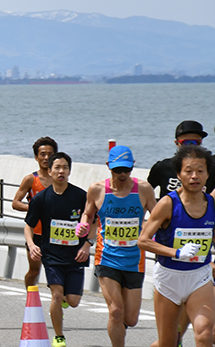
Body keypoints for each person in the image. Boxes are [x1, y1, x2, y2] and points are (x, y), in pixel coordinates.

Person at [77, 146, 156, 347]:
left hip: (134, 261)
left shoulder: (144, 189)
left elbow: (157, 218)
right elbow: (88, 213)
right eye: (117, 170)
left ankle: (118, 330)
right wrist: (83, 223)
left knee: (130, 319)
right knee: (115, 311)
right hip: (107, 258)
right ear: (108, 167)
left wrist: (153, 233)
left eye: (126, 170)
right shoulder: (97, 189)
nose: (122, 174)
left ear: (133, 167)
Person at [138, 145, 215, 347]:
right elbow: (143, 240)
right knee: (168, 343)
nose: (194, 176)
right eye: (188, 171)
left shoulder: (212, 204)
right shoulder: (168, 204)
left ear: (208, 174)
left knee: (205, 334)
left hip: (200, 277)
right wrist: (177, 252)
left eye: (200, 171)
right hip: (169, 278)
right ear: (179, 174)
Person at [24, 152, 90, 347]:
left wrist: (87, 243)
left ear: (69, 170)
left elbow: (93, 221)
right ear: (50, 171)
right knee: (57, 295)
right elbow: (28, 225)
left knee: (74, 300)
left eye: (65, 168)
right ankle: (59, 336)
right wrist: (32, 244)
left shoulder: (80, 196)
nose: (61, 171)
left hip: (76, 255)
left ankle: (62, 300)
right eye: (57, 168)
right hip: (51, 255)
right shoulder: (41, 199)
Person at [12, 136, 58, 287]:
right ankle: (30, 299)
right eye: (42, 154)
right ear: (36, 157)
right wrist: (34, 208)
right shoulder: (31, 179)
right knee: (34, 271)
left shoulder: (60, 179)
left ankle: (59, 299)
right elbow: (16, 203)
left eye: (50, 154)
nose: (46, 158)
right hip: (36, 233)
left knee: (56, 269)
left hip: (56, 233)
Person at [148, 120, 214, 198]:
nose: (192, 146)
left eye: (196, 142)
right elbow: (146, 191)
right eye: (186, 142)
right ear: (176, 143)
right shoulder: (162, 168)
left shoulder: (211, 168)